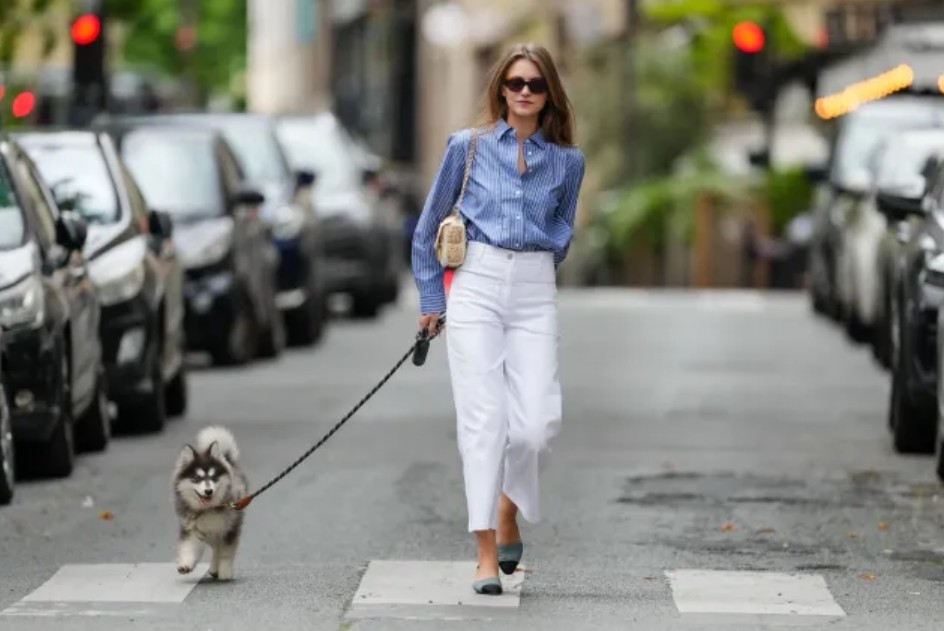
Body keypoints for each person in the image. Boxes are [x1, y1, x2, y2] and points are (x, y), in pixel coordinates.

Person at [411, 42, 586, 595]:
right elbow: (425, 231)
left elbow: (564, 225)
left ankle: (508, 509)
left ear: (550, 92)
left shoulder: (568, 161)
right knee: (483, 421)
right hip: (477, 285)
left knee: (535, 426)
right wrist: (432, 303)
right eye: (515, 84)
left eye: (535, 84)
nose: (525, 93)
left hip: (535, 286)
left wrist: (541, 254)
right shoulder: (467, 148)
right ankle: (485, 550)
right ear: (500, 90)